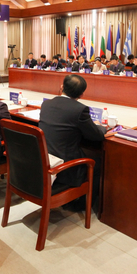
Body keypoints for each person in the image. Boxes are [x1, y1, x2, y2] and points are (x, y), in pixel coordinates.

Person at [39, 74, 106, 209]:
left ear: (62, 87)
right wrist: (102, 127)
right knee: (98, 163)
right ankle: (81, 205)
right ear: (81, 95)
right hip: (64, 167)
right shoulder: (80, 109)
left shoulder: (46, 104)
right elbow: (97, 135)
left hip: (43, 160)